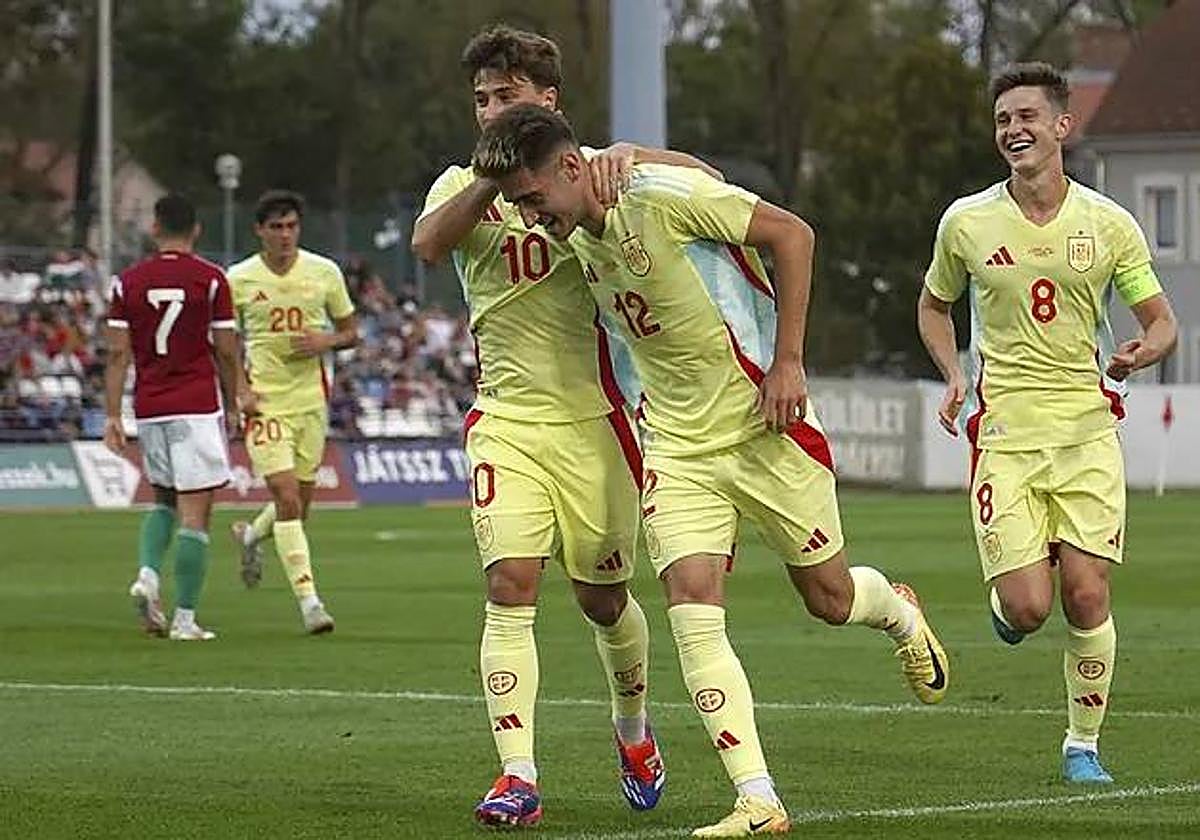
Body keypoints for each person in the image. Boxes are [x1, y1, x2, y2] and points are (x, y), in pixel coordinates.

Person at [474, 104, 950, 838]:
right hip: (677, 446)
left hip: (767, 423)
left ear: (572, 169)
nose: (531, 220)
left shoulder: (656, 198)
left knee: (827, 599)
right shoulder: (571, 233)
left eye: (534, 201)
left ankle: (897, 612)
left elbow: (792, 233)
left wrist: (788, 361)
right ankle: (759, 799)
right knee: (692, 606)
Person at [411, 24, 723, 829]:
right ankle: (517, 773)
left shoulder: (585, 177)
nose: (490, 110)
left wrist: (637, 154)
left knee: (602, 596)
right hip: (506, 421)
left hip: (595, 422)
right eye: (480, 99)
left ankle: (633, 728)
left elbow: (709, 181)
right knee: (510, 586)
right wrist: (489, 175)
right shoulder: (463, 184)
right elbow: (427, 244)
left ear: (548, 101)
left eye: (507, 96)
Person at [917, 62, 1177, 784]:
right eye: (1003, 120)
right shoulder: (966, 223)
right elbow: (934, 304)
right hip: (1005, 436)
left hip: (1087, 432)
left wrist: (1141, 353)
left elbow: (1162, 323)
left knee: (1087, 593)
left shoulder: (1108, 224)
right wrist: (953, 374)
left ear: (1062, 126)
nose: (1013, 130)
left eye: (1027, 117)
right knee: (1030, 609)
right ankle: (1012, 601)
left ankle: (1082, 745)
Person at [104, 193, 252, 641]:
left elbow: (116, 353)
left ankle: (149, 575)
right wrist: (236, 400)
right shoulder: (210, 280)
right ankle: (185, 619)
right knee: (196, 512)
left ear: (154, 229)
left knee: (164, 498)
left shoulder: (125, 282)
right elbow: (226, 350)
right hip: (195, 405)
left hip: (149, 408)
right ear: (197, 230)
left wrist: (113, 414)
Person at [227, 189, 358, 634]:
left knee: (297, 508)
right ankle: (310, 604)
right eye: (276, 227)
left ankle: (250, 535)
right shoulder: (238, 280)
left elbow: (350, 331)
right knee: (285, 496)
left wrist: (327, 341)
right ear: (259, 231)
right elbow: (223, 345)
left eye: (291, 226)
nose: (285, 235)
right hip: (265, 404)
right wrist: (240, 391)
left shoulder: (323, 272)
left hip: (310, 403)